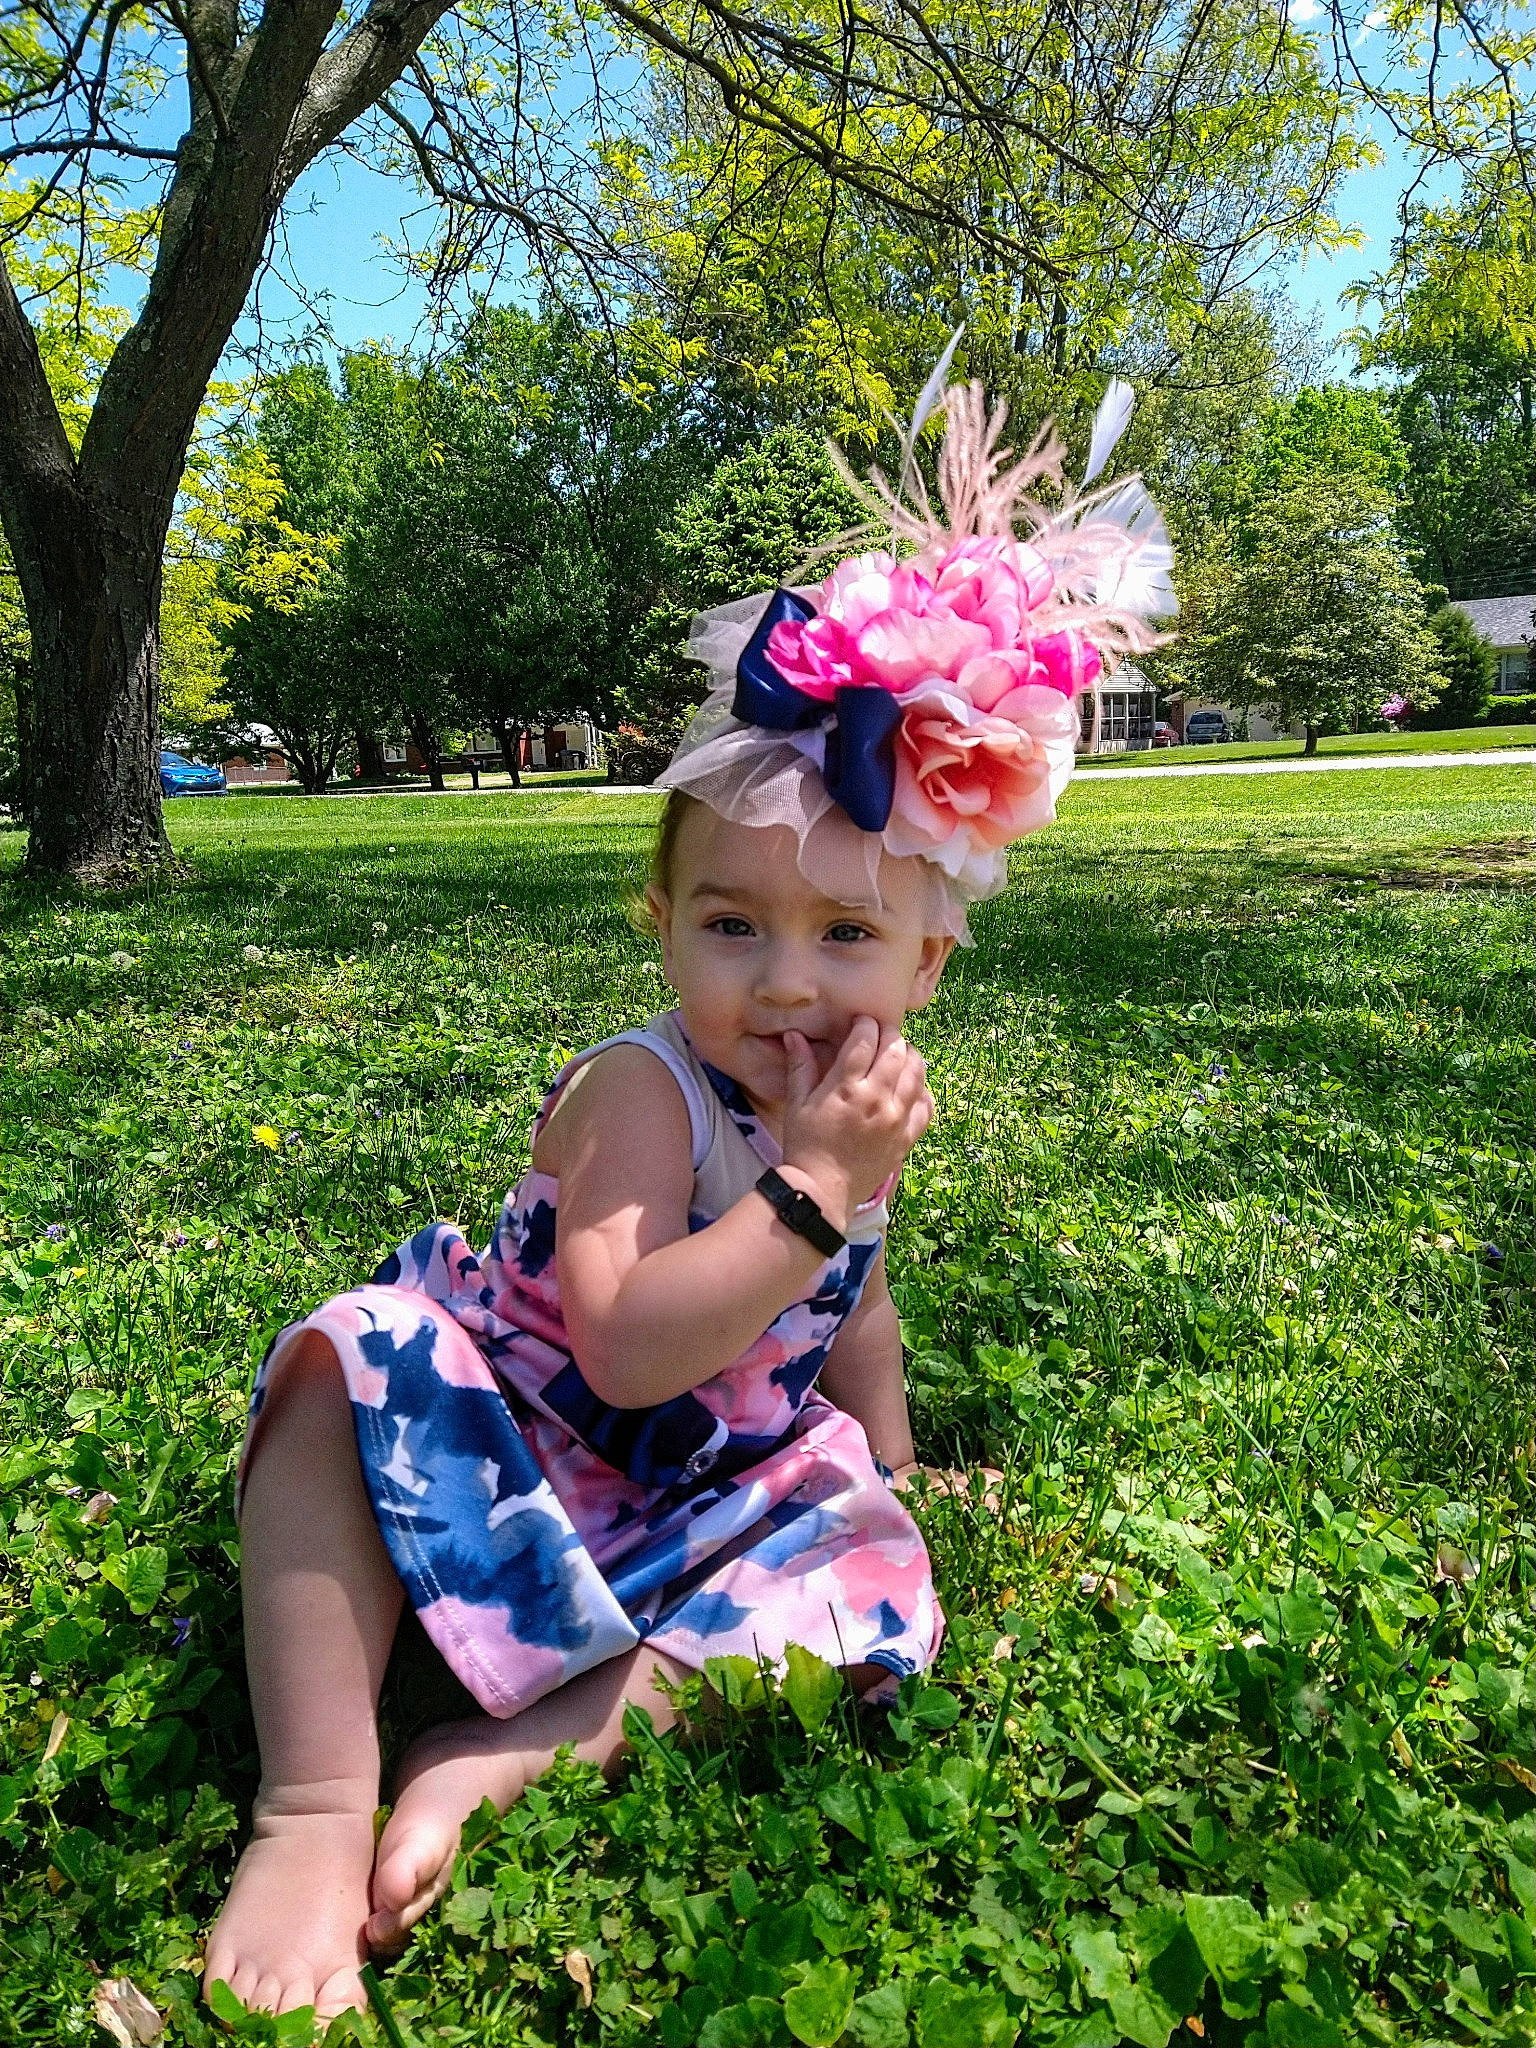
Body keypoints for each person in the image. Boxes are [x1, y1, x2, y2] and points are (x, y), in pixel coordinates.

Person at [204, 356, 1174, 2021]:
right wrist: (807, 1188)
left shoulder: (843, 1120)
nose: (785, 984)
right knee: (336, 1373)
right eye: (733, 925)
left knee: (861, 1564)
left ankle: (515, 1751)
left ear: (934, 961)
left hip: (687, 1496)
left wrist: (902, 1464)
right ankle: (312, 1801)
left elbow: (850, 1302)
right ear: (661, 928)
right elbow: (634, 1349)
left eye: (847, 935)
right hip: (510, 1441)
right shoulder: (640, 1095)